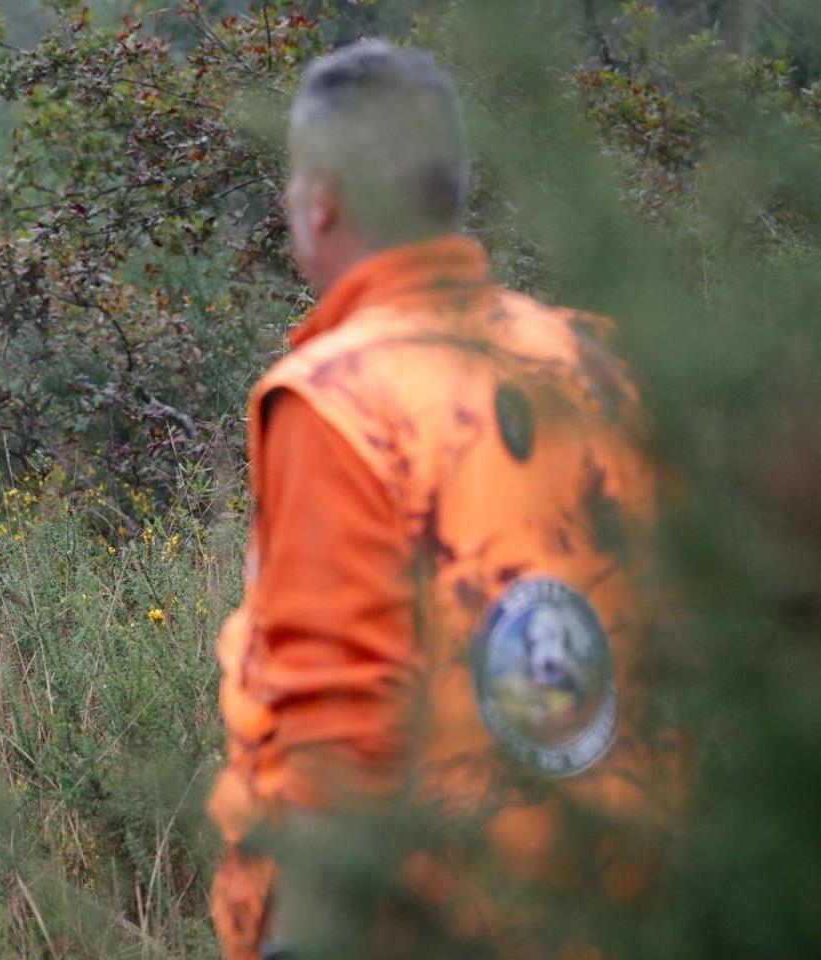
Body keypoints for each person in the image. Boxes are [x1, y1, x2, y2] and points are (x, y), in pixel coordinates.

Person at [209, 41, 662, 956]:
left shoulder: (337, 400)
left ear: (323, 196)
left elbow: (338, 743)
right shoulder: (595, 364)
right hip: (617, 906)